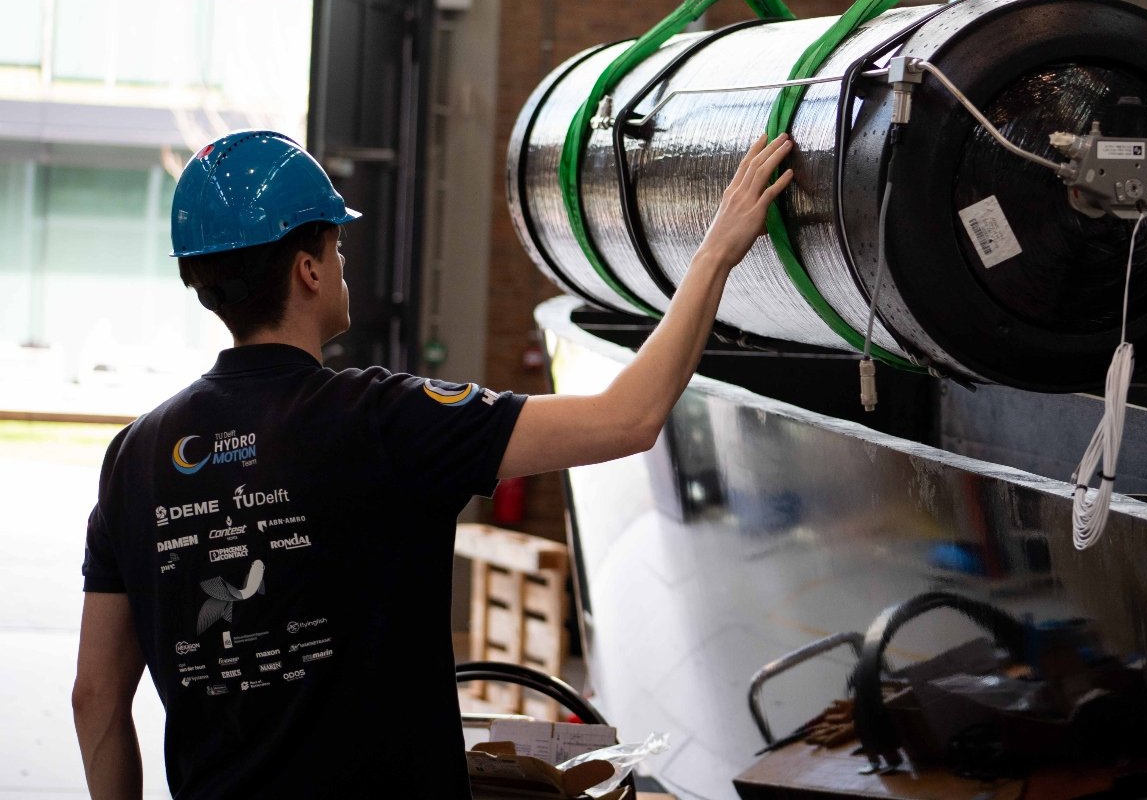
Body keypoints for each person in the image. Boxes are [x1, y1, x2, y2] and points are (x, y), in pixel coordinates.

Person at [72, 129, 795, 798]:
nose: (343, 261)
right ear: (308, 271)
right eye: (337, 248)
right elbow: (626, 418)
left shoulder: (134, 457)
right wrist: (714, 255)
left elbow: (96, 697)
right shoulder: (383, 419)